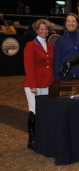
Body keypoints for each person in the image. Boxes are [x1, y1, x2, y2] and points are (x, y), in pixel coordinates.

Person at [23, 19, 54, 149]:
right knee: (34, 111)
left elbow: (51, 65)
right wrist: (32, 85)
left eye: (46, 29)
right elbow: (28, 66)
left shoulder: (51, 45)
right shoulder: (30, 45)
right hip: (34, 84)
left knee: (46, 111)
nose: (44, 31)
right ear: (36, 30)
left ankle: (44, 137)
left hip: (48, 83)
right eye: (41, 29)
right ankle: (32, 139)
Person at [54, 13, 79, 81]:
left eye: (73, 21)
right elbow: (57, 60)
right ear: (65, 24)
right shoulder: (60, 40)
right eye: (68, 21)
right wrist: (57, 78)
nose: (71, 23)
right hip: (65, 76)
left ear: (77, 23)